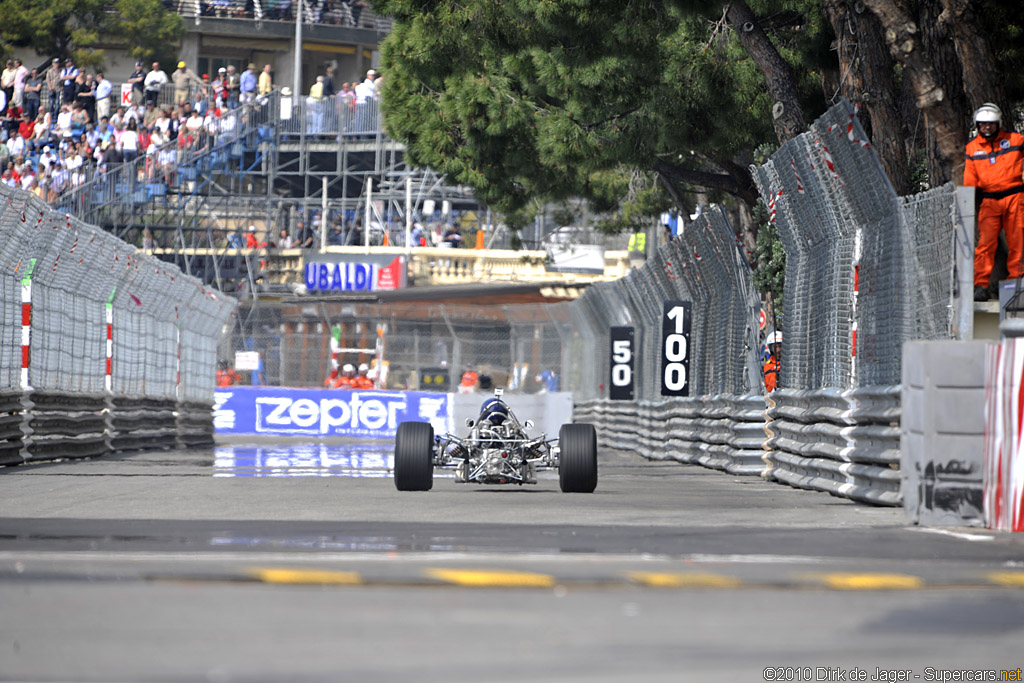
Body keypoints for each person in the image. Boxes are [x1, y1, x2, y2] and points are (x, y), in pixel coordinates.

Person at [964, 103, 1024, 301]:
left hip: (1015, 196)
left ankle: (1017, 280)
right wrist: (966, 199)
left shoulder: (1015, 140)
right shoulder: (972, 148)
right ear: (977, 125)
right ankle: (981, 285)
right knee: (985, 244)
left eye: (990, 124)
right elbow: (970, 179)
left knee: (1017, 241)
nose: (987, 128)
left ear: (998, 123)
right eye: (983, 124)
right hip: (989, 200)